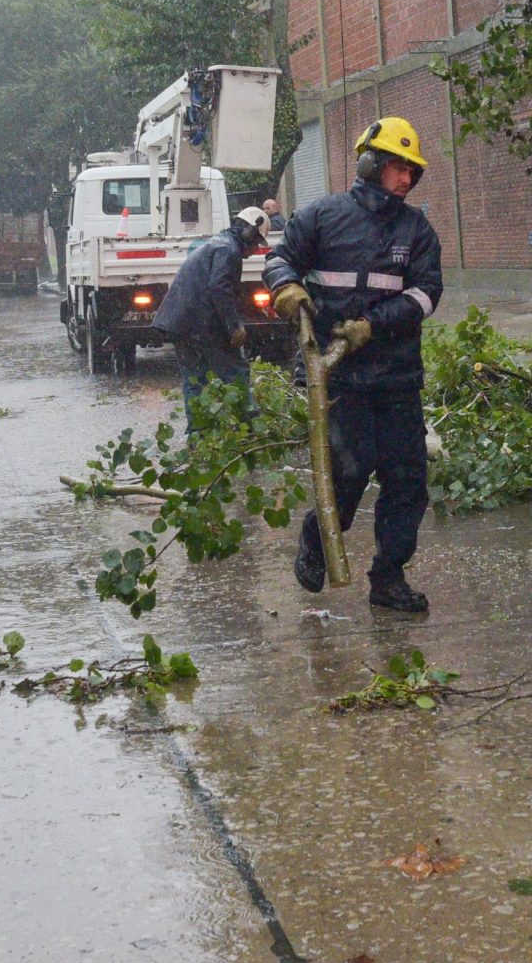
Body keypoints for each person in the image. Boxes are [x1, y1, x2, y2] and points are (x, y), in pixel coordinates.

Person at [266, 117, 444, 613]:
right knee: (348, 471)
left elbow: (427, 294)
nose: (405, 179)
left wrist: (374, 324)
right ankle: (317, 538)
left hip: (397, 376)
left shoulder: (416, 229)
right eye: (396, 168)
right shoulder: (321, 217)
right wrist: (286, 287)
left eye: (412, 171)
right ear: (369, 164)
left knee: (407, 481)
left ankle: (388, 579)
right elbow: (280, 261)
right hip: (338, 377)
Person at [154, 202, 271, 419]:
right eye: (256, 243)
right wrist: (234, 327)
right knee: (236, 371)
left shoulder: (219, 244)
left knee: (195, 379)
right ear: (248, 232)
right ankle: (251, 427)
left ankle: (198, 436)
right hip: (196, 325)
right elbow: (220, 289)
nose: (255, 251)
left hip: (180, 323)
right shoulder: (229, 250)